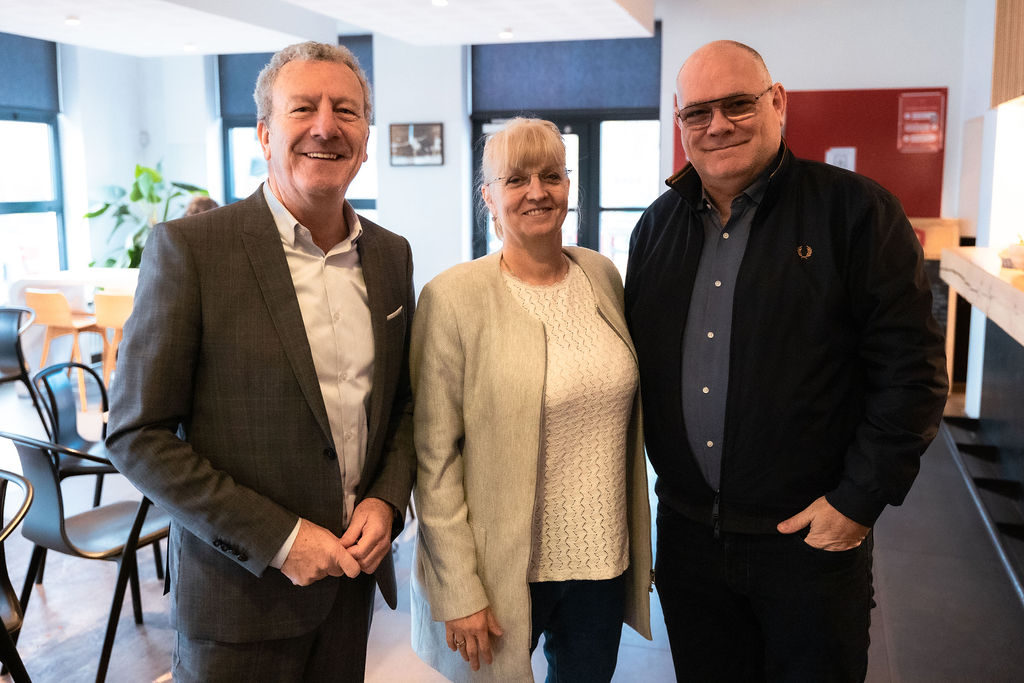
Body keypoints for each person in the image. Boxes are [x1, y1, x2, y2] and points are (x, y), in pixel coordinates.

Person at [625, 40, 948, 682]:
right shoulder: (655, 230)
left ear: (777, 103)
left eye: (738, 104)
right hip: (689, 539)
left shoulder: (856, 212)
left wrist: (858, 502)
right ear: (680, 122)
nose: (718, 125)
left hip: (809, 539)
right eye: (698, 112)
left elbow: (911, 375)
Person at [105, 41, 415, 682]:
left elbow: (403, 404)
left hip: (348, 593)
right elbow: (138, 435)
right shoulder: (192, 251)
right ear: (265, 134)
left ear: (365, 139)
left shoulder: (391, 256)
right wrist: (280, 540)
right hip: (238, 605)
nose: (326, 127)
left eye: (347, 111)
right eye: (303, 108)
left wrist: (386, 501)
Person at [410, 117, 652, 682]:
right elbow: (433, 458)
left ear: (569, 186)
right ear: (488, 197)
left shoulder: (601, 275)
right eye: (516, 179)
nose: (537, 192)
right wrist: (458, 587)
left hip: (602, 561)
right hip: (499, 571)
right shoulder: (452, 298)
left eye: (551, 176)